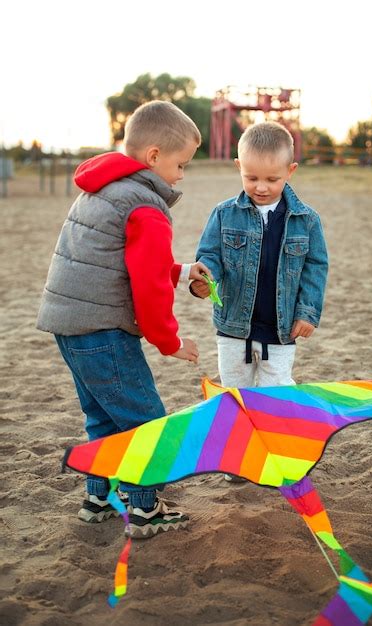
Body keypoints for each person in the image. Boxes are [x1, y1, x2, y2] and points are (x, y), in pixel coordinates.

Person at [36, 100, 211, 536]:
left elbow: (114, 261)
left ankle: (100, 497)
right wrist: (170, 342)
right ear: (154, 157)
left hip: (69, 323)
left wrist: (182, 271)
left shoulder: (101, 190)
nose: (181, 175)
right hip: (103, 330)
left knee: (103, 418)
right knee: (144, 421)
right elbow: (147, 286)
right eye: (181, 165)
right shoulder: (147, 208)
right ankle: (146, 509)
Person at [191, 122, 328, 481]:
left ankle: (281, 452)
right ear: (238, 167)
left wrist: (308, 312)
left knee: (276, 392)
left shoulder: (307, 220)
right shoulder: (224, 214)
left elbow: (316, 268)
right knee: (237, 392)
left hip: (281, 327)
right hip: (234, 326)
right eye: (251, 178)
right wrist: (203, 281)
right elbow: (210, 257)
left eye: (272, 179)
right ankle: (240, 458)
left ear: (290, 171)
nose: (261, 187)